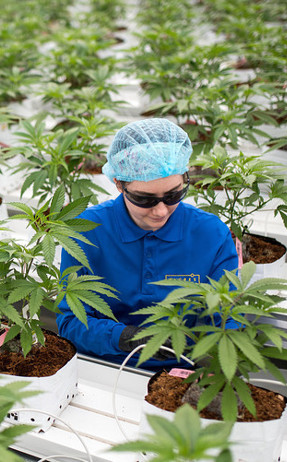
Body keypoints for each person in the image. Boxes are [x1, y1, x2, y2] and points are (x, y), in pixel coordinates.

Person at [56, 118, 238, 369]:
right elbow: (71, 322)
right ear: (119, 184)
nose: (161, 211)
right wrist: (126, 337)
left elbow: (226, 319)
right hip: (102, 366)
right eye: (144, 199)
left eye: (174, 195)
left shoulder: (211, 234)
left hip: (180, 370)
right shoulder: (86, 231)